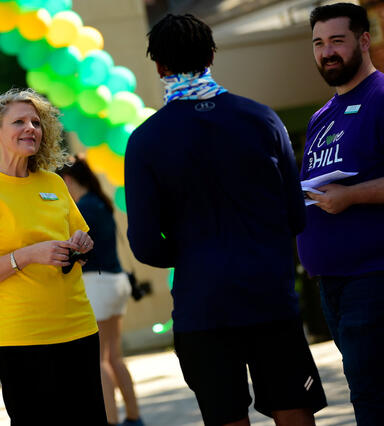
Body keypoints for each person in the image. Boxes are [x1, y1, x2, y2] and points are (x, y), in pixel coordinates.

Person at [124, 13, 327, 426]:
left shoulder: (145, 141)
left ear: (160, 67)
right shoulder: (263, 118)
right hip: (269, 294)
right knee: (294, 407)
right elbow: (295, 215)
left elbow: (144, 243)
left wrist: (195, 254)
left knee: (225, 416)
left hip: (203, 306)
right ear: (212, 55)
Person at [0, 88, 107, 425]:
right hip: (22, 339)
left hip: (78, 328)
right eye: (19, 121)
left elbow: (78, 239)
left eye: (36, 122)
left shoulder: (53, 183)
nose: (31, 128)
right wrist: (28, 255)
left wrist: (80, 244)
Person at [298, 3, 384, 424]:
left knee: (373, 396)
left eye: (337, 41)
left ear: (364, 40)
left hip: (373, 275)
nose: (326, 52)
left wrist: (351, 197)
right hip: (332, 283)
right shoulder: (321, 117)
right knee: (365, 390)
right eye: (318, 43)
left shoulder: (381, 97)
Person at [58, 155, 143, 426]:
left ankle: (111, 421)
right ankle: (133, 417)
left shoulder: (84, 208)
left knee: (99, 362)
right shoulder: (100, 202)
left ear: (68, 180)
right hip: (115, 283)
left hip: (97, 285)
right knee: (114, 357)